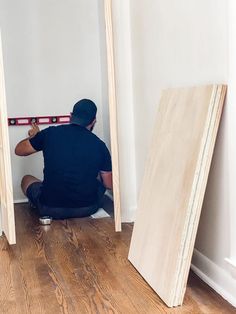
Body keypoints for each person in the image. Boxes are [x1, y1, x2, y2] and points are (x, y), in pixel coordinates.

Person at [15, 99, 112, 219]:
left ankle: (38, 203)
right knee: (98, 176)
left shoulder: (50, 134)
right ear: (93, 121)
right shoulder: (99, 145)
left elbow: (19, 150)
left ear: (70, 116)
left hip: (49, 208)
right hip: (87, 208)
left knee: (26, 179)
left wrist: (35, 136)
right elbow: (108, 183)